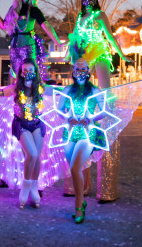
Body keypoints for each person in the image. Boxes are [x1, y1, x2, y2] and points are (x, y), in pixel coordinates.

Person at [65, 0, 133, 202]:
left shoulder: (100, 15)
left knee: (106, 91)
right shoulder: (80, 17)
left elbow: (110, 37)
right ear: (82, 0)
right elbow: (76, 39)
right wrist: (70, 50)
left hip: (100, 52)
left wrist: (121, 54)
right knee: (78, 88)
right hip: (84, 55)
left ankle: (108, 109)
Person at [0, 58, 46, 209]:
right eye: (24, 70)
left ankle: (34, 186)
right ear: (20, 72)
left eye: (30, 71)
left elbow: (60, 91)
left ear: (35, 72)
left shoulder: (40, 87)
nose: (27, 73)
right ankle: (26, 185)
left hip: (37, 124)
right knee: (32, 154)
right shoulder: (15, 89)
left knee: (37, 157)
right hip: (22, 125)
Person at [0, 0, 64, 77]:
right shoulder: (13, 9)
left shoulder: (34, 9)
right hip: (14, 48)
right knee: (17, 76)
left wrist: (57, 41)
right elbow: (3, 26)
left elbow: (46, 26)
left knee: (29, 74)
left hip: (28, 47)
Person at [58, 58, 104, 223]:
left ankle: (78, 205)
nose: (80, 71)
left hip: (87, 135)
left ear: (88, 71)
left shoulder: (95, 91)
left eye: (83, 68)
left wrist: (91, 119)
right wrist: (67, 117)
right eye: (77, 68)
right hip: (69, 135)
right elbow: (59, 110)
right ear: (73, 71)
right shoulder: (67, 89)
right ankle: (82, 201)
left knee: (75, 167)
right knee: (73, 170)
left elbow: (105, 110)